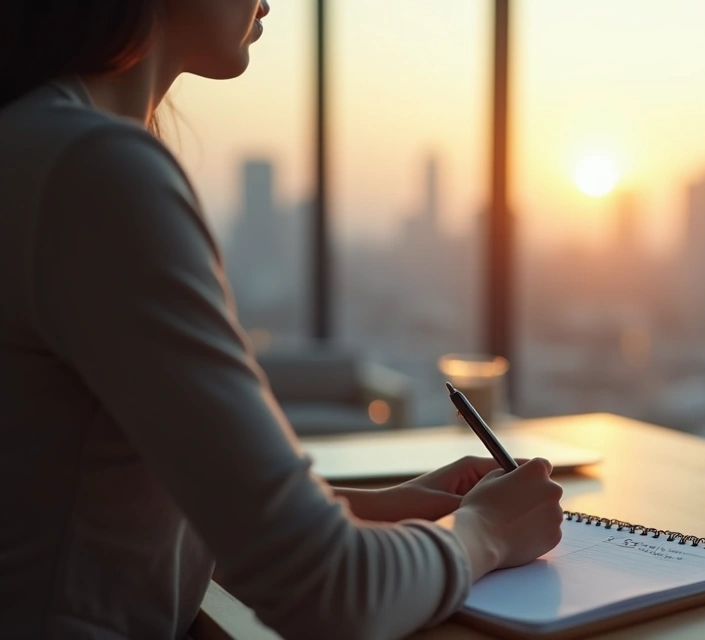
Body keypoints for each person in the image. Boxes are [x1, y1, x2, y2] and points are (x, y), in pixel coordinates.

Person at [0, 1, 564, 638]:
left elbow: (138, 510)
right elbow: (332, 595)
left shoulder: (38, 144)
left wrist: (369, 509)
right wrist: (485, 533)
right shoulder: (94, 173)